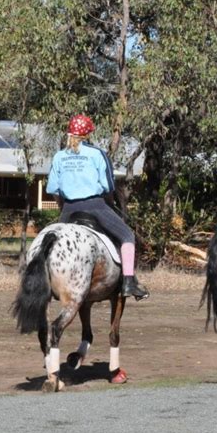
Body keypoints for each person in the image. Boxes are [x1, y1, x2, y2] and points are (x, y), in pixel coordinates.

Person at [46, 114, 149, 300]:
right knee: (127, 235)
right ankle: (128, 282)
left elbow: (54, 189)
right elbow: (108, 186)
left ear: (69, 132)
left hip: (68, 209)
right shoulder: (97, 154)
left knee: (51, 242)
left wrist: (62, 207)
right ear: (88, 134)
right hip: (96, 206)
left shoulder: (59, 156)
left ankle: (47, 282)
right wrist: (109, 204)